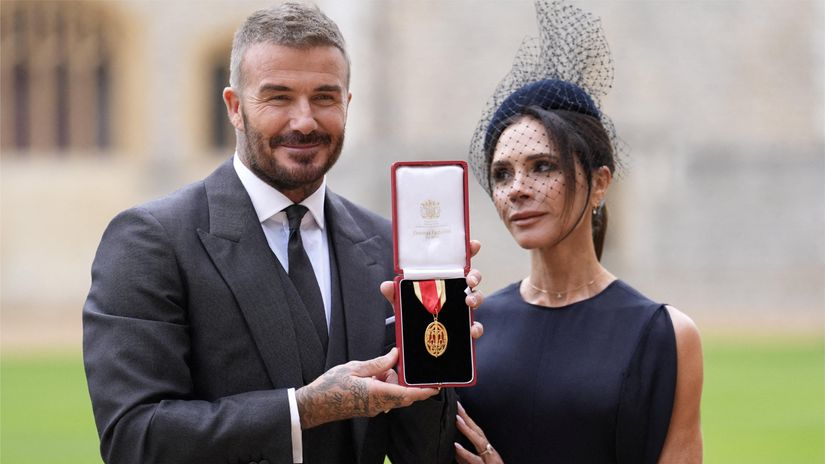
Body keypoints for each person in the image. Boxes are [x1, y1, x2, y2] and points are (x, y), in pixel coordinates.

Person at [82, 3, 483, 463]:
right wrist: (302, 410)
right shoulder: (151, 241)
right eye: (278, 97)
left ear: (348, 104)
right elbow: (134, 439)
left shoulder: (390, 247)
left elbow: (425, 455)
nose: (305, 121)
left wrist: (435, 359)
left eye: (325, 98)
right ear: (235, 107)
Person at [452, 2, 703, 463]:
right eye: (502, 174)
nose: (518, 189)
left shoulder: (666, 335)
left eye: (542, 167)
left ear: (600, 182)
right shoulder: (471, 327)